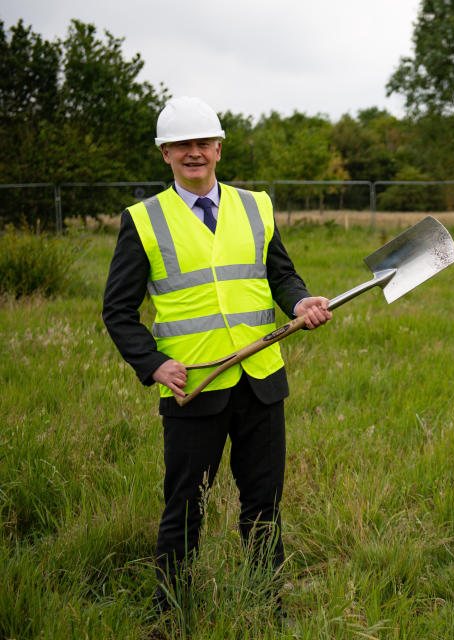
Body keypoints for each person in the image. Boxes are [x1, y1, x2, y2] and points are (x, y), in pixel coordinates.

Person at [102, 96, 332, 622]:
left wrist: (300, 302)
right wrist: (153, 363)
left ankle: (268, 606)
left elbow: (281, 275)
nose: (194, 153)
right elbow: (118, 310)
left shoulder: (257, 206)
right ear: (165, 154)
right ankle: (171, 614)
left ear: (219, 149)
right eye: (182, 145)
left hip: (261, 382)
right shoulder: (143, 221)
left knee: (264, 507)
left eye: (203, 143)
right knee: (185, 508)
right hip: (194, 386)